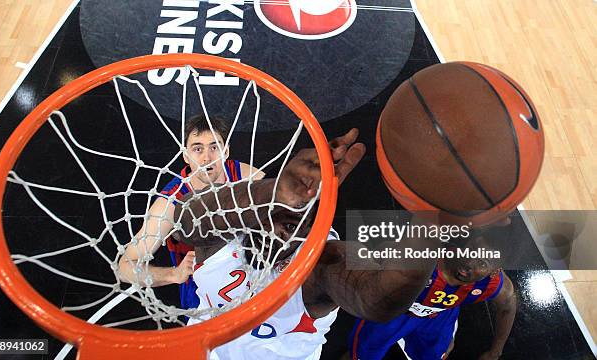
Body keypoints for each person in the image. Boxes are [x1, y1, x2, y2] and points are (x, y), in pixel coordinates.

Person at [172, 129, 441, 359]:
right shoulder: (228, 220)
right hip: (206, 351)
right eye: (270, 215)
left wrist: (432, 216)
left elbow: (377, 301)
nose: (272, 232)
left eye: (290, 227)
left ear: (310, 232)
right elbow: (185, 220)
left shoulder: (322, 262)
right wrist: (273, 192)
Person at [118, 114, 264, 310]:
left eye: (215, 147)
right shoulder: (171, 203)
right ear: (186, 155)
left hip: (250, 274)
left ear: (226, 151)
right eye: (198, 149)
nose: (207, 157)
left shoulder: (244, 176)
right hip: (202, 294)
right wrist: (173, 274)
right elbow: (125, 267)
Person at [347, 225, 517, 360]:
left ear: (494, 272)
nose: (468, 262)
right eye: (471, 249)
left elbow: (508, 307)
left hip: (437, 317)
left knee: (438, 353)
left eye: (482, 263)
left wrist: (495, 351)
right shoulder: (424, 257)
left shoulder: (494, 285)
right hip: (395, 310)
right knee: (361, 353)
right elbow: (382, 251)